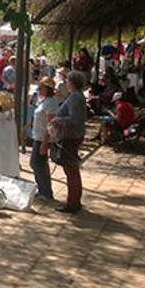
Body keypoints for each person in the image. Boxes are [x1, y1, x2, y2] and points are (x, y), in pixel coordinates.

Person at [50, 70, 87, 213]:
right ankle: (74, 199)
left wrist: (57, 120)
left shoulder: (76, 97)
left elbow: (74, 119)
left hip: (71, 136)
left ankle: (73, 202)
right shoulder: (76, 96)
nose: (66, 83)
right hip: (73, 135)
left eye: (67, 81)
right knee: (72, 170)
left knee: (71, 170)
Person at [30, 77, 60, 200]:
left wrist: (45, 142)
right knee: (38, 164)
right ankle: (43, 189)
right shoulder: (43, 101)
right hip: (37, 136)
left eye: (41, 88)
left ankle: (46, 191)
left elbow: (50, 124)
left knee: (37, 163)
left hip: (42, 138)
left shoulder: (51, 102)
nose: (39, 90)